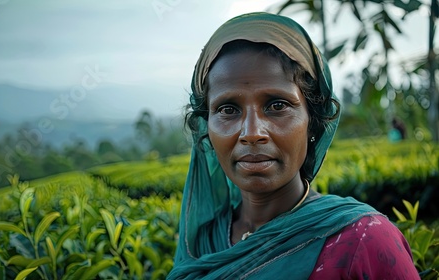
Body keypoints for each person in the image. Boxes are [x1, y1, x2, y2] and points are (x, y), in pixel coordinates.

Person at [167, 12, 420, 279]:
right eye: (228, 109)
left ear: (313, 121)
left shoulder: (363, 241)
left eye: (277, 106)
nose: (252, 133)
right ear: (207, 126)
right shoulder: (203, 241)